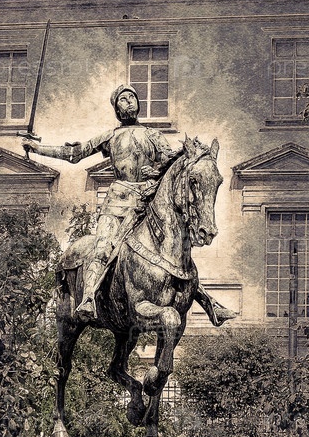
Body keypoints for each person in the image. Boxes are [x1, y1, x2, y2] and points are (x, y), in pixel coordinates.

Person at [22, 84, 235, 326]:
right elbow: (74, 153)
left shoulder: (153, 135)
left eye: (132, 97)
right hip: (117, 205)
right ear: (116, 108)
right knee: (103, 246)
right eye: (122, 99)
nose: (129, 102)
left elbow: (168, 163)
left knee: (175, 252)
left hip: (147, 203)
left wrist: (179, 162)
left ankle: (210, 303)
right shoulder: (110, 137)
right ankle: (89, 298)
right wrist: (37, 148)